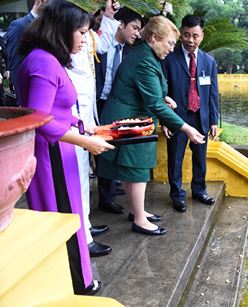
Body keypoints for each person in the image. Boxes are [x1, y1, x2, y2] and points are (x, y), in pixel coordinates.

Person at [17, 0, 114, 295]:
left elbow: (56, 110)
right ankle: (77, 285)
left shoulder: (46, 59)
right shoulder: (44, 62)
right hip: (52, 156)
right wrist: (85, 141)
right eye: (82, 32)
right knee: (63, 219)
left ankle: (77, 279)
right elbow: (40, 120)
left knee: (70, 215)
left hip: (61, 150)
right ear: (62, 30)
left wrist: (85, 127)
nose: (86, 40)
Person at [97, 15, 205, 235]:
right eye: (170, 43)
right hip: (129, 119)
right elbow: (153, 103)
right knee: (137, 169)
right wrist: (185, 128)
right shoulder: (145, 60)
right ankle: (139, 219)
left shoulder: (146, 54)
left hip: (132, 117)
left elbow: (150, 92)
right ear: (155, 38)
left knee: (132, 169)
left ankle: (138, 211)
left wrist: (163, 98)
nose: (172, 48)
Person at [66, 0, 120, 258]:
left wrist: (111, 13)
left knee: (83, 179)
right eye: (82, 31)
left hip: (85, 118)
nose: (86, 38)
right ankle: (81, 237)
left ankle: (85, 224)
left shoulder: (89, 39)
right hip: (71, 123)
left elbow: (107, 42)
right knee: (75, 179)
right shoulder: (62, 50)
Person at [162, 15, 219, 212]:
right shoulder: (169, 58)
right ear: (181, 34)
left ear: (202, 35)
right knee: (175, 157)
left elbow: (212, 93)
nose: (190, 40)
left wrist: (213, 120)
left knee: (200, 157)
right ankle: (177, 194)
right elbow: (163, 90)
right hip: (177, 117)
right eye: (186, 35)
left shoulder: (209, 61)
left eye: (195, 35)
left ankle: (199, 190)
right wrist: (164, 119)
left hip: (200, 116)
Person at [95, 7, 143, 215]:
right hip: (97, 102)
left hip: (118, 104)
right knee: (101, 150)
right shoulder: (99, 45)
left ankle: (110, 193)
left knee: (114, 147)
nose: (137, 33)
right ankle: (106, 198)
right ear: (120, 24)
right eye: (133, 27)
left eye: (139, 29)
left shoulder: (131, 51)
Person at [5, 0, 48, 98]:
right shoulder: (19, 26)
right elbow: (16, 65)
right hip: (31, 92)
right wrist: (22, 98)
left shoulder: (52, 26)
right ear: (38, 2)